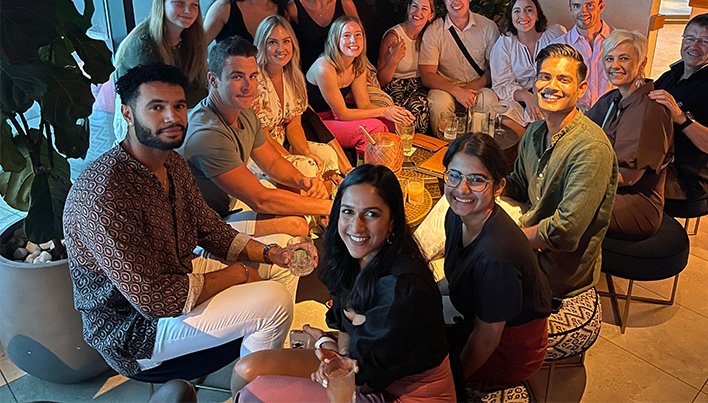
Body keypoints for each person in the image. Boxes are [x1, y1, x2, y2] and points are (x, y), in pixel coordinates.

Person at [63, 63, 305, 378]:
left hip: (177, 275)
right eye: (156, 107)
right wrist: (238, 275)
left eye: (178, 106)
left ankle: (263, 364)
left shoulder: (171, 163)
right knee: (273, 302)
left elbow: (209, 228)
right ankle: (254, 391)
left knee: (284, 252)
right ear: (127, 114)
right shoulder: (105, 195)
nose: (172, 117)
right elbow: (155, 299)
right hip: (134, 330)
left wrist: (271, 254)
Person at [231, 164, 457, 402]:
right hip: (360, 362)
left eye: (371, 214)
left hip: (400, 391)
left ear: (392, 221)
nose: (356, 226)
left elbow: (364, 376)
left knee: (254, 395)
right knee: (246, 370)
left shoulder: (403, 288)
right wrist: (334, 347)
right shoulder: (350, 256)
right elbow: (347, 334)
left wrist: (330, 351)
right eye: (348, 211)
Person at [179, 37, 331, 237]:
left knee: (297, 188)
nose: (248, 86)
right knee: (296, 226)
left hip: (230, 204)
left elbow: (273, 164)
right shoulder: (207, 134)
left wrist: (303, 181)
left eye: (252, 76)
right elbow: (260, 199)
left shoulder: (243, 110)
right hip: (200, 225)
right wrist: (330, 206)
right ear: (213, 80)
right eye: (236, 77)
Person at [504, 43, 617, 300]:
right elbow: (520, 184)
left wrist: (506, 239)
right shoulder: (535, 131)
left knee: (457, 279)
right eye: (545, 77)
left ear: (581, 88)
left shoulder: (590, 147)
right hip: (528, 236)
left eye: (563, 79)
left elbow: (565, 232)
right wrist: (488, 182)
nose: (551, 86)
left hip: (556, 270)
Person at [440, 133, 551, 395]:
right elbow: (458, 274)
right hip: (478, 322)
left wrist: (453, 384)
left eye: (477, 180)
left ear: (499, 186)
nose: (461, 189)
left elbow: (487, 338)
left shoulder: (496, 255)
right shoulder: (457, 216)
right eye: (453, 175)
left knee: (420, 372)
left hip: (510, 349)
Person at [587, 30, 674, 240]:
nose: (614, 66)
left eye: (624, 58)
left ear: (642, 64)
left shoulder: (649, 108)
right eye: (609, 59)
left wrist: (575, 178)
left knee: (564, 205)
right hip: (610, 188)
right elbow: (583, 130)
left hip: (636, 203)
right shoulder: (614, 98)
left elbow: (628, 177)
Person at [650, 13, 708, 205]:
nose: (694, 46)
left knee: (618, 185)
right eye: (690, 38)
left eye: (705, 41)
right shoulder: (671, 76)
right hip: (657, 160)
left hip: (686, 179)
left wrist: (682, 118)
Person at [252, 15, 353, 176]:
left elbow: (294, 125)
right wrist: (293, 160)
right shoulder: (254, 81)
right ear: (262, 45)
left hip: (284, 144)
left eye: (286, 41)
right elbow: (263, 138)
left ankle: (335, 191)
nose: (281, 48)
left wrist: (306, 153)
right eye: (272, 42)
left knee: (327, 154)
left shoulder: (292, 77)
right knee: (307, 167)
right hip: (262, 154)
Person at [306, 16, 414, 154]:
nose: (353, 40)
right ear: (335, 39)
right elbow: (342, 113)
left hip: (335, 118)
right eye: (346, 35)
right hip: (315, 123)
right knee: (373, 127)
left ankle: (389, 164)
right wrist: (383, 111)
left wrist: (395, 112)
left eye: (358, 35)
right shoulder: (324, 67)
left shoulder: (357, 64)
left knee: (390, 122)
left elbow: (364, 105)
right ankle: (366, 169)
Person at [419, 0, 500, 138]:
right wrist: (456, 91)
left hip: (477, 87)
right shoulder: (434, 30)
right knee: (439, 102)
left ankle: (478, 150)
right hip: (445, 88)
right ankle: (446, 151)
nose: (455, 1)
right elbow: (427, 75)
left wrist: (467, 91)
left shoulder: (488, 27)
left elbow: (493, 71)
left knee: (489, 100)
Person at [114, 0, 208, 108]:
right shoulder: (143, 45)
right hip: (141, 116)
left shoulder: (192, 40)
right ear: (161, 4)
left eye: (194, 5)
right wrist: (208, 94)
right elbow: (160, 99)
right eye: (179, 2)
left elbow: (199, 85)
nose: (188, 11)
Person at [489, 0, 566, 137]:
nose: (523, 16)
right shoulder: (505, 43)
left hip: (548, 95)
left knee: (541, 122)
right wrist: (526, 96)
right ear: (511, 18)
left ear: (537, 15)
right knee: (505, 117)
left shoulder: (555, 35)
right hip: (518, 98)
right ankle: (525, 150)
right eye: (517, 11)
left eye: (529, 10)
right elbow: (501, 84)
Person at [376, 0, 437, 134]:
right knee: (402, 116)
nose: (418, 12)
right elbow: (381, 80)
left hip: (418, 86)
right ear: (408, 8)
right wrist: (393, 60)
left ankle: (420, 149)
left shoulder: (431, 36)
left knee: (419, 109)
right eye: (415, 6)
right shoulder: (393, 36)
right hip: (395, 86)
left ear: (431, 16)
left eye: (424, 9)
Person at [552, 0, 614, 111]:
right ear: (570, 9)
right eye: (576, 6)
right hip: (574, 120)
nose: (583, 12)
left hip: (613, 120)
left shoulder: (620, 42)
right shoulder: (559, 48)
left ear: (601, 7)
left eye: (590, 5)